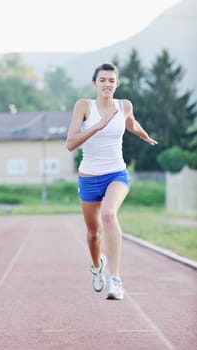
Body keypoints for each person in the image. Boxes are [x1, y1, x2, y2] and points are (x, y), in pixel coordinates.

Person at [66, 63, 157, 300]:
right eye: (103, 80)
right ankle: (97, 267)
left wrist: (141, 133)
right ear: (94, 83)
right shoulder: (84, 106)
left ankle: (115, 279)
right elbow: (70, 143)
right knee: (94, 233)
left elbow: (131, 123)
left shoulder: (124, 105)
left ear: (117, 84)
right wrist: (98, 125)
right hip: (88, 177)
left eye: (111, 80)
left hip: (116, 173)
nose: (107, 84)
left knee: (109, 215)